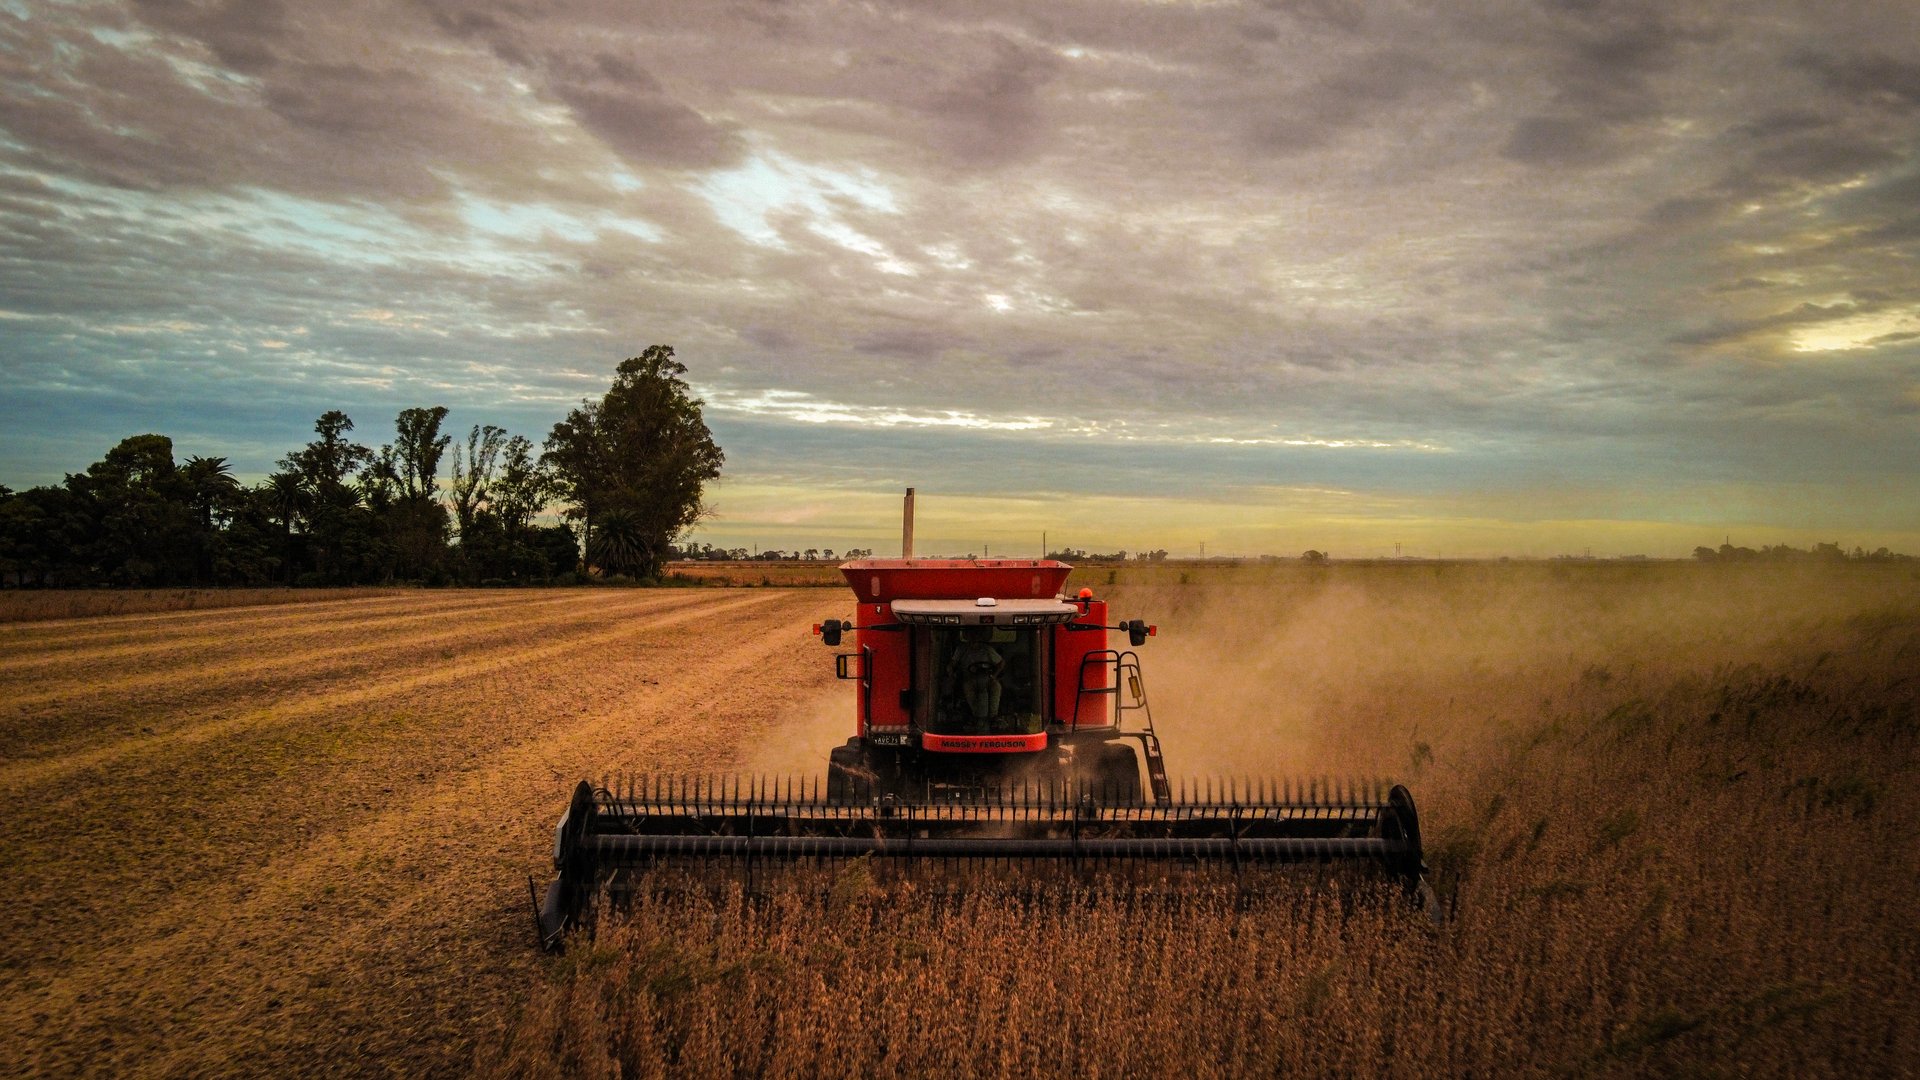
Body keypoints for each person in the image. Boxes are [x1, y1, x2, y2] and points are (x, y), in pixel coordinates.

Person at [951, 626, 1004, 724]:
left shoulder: (988, 649)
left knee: (997, 686)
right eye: (971, 634)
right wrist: (951, 675)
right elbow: (952, 664)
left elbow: (1001, 663)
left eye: (977, 634)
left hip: (987, 678)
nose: (974, 637)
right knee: (967, 688)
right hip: (968, 679)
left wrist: (994, 676)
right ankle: (976, 715)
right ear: (967, 636)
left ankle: (993, 715)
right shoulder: (961, 649)